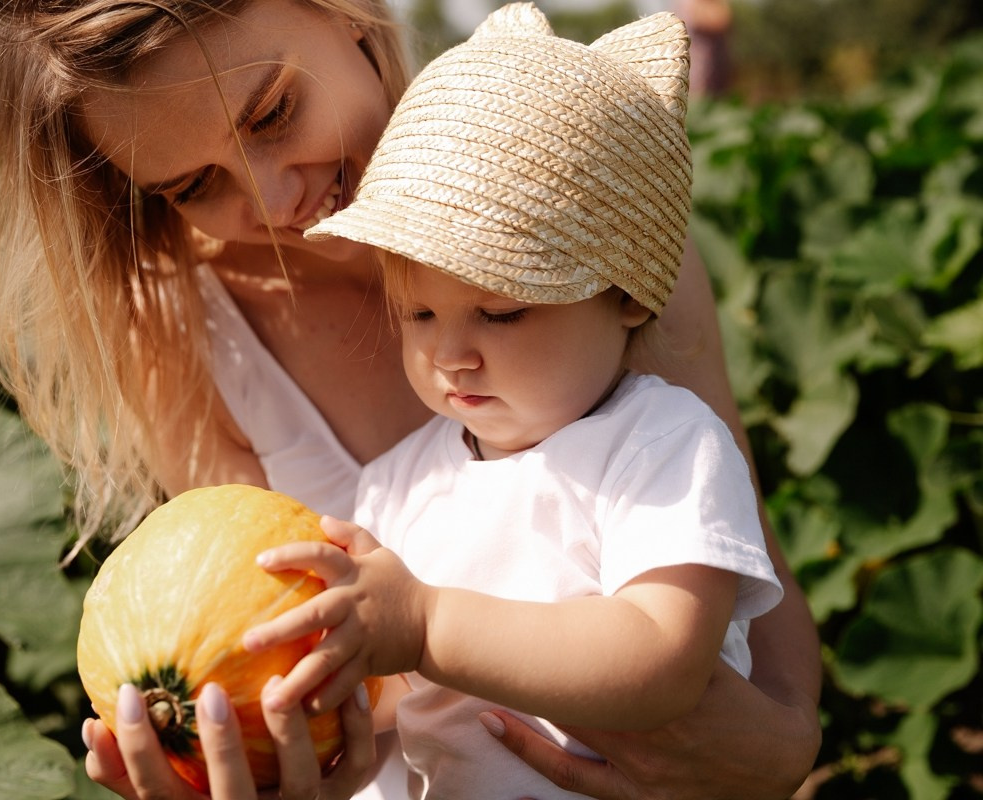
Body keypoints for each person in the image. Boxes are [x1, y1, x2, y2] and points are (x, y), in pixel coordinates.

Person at [0, 0, 821, 797]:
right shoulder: (184, 332)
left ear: (346, 16)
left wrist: (782, 750)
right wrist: (283, 754)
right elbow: (298, 668)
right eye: (193, 185)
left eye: (271, 113)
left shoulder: (587, 227)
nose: (272, 200)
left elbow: (745, 574)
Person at [238, 7, 782, 798]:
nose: (451, 353)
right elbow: (387, 708)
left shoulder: (663, 445)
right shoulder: (398, 484)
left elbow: (663, 658)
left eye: (502, 312)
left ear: (627, 295)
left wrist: (426, 625)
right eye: (419, 315)